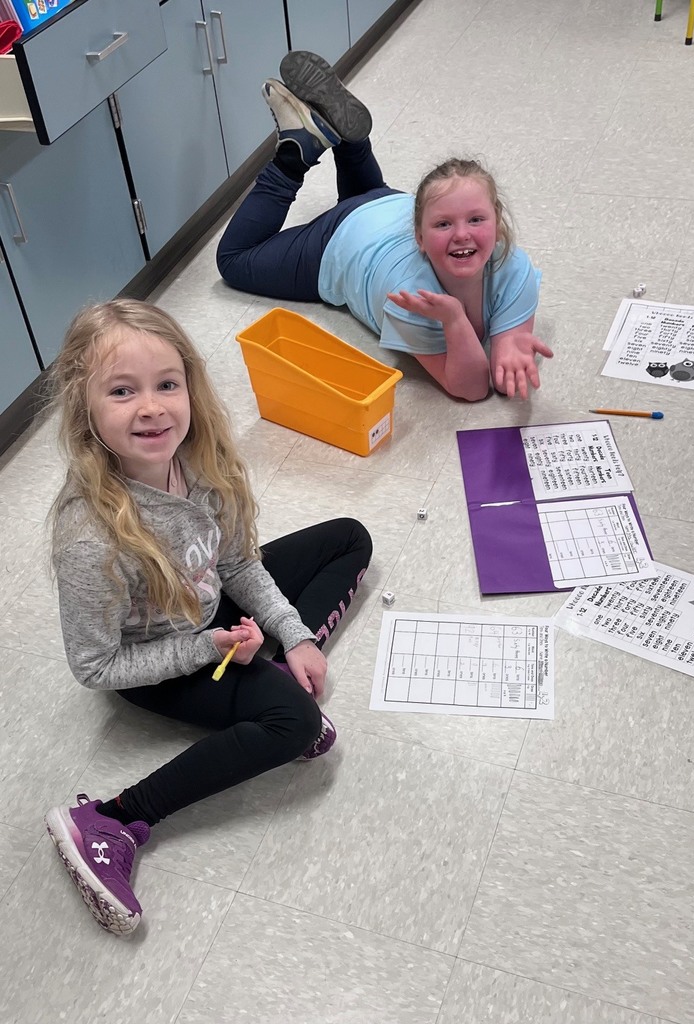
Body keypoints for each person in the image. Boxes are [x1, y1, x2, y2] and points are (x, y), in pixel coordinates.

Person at [43, 299, 372, 936]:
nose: (153, 407)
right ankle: (112, 818)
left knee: (348, 537)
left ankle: (269, 675)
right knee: (297, 723)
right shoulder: (89, 536)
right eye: (121, 391)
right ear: (85, 407)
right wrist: (207, 649)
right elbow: (95, 666)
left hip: (208, 611)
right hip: (160, 665)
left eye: (168, 384)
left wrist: (296, 636)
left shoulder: (202, 460)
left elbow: (238, 564)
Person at [216, 50, 553, 402]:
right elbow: (471, 389)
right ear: (419, 236)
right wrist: (454, 319)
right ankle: (295, 154)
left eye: (476, 219)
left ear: (498, 226)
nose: (462, 234)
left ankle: (351, 140)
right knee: (235, 260)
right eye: (444, 224)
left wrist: (509, 349)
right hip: (340, 238)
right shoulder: (410, 296)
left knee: (366, 195)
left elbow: (500, 377)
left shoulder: (515, 269)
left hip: (386, 202)